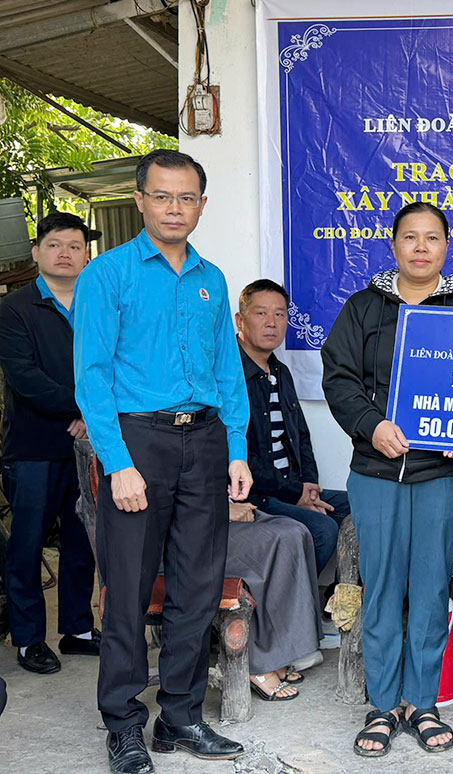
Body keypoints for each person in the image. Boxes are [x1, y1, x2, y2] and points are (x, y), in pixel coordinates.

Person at [74, 150, 250, 774]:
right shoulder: (107, 275)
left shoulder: (212, 278)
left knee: (197, 589)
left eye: (187, 198)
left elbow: (228, 371)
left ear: (201, 205)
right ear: (140, 200)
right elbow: (92, 377)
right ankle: (123, 725)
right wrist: (117, 462)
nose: (175, 208)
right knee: (126, 590)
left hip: (203, 442)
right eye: (162, 196)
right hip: (137, 444)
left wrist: (236, 449)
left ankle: (180, 715)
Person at [321, 201, 453, 758]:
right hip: (377, 470)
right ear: (393, 245)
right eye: (410, 237)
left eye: (431, 237)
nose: (420, 247)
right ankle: (383, 704)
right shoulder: (363, 307)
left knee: (432, 587)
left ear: (447, 246)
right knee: (383, 588)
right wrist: (372, 426)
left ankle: (421, 702)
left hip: (444, 472)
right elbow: (339, 378)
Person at [0, 213, 100, 674]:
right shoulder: (15, 308)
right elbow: (26, 379)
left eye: (75, 246)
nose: (65, 253)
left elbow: (116, 364)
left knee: (82, 539)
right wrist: (84, 408)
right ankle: (28, 639)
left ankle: (78, 629)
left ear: (86, 255)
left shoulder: (99, 303)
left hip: (89, 444)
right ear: (36, 252)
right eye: (55, 244)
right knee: (28, 544)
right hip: (33, 448)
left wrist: (90, 416)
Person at [235, 278, 350, 575]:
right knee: (322, 530)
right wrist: (295, 493)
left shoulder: (281, 371)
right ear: (240, 321)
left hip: (292, 486)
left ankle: (343, 593)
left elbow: (301, 436)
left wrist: (309, 487)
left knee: (358, 506)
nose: (271, 323)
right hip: (257, 495)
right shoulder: (228, 374)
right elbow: (240, 456)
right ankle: (292, 598)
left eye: (280, 314)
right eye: (261, 313)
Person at [224, 501, 322, 703]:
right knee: (281, 539)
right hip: (186, 529)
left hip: (210, 507)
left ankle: (278, 653)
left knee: (296, 530)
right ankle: (258, 665)